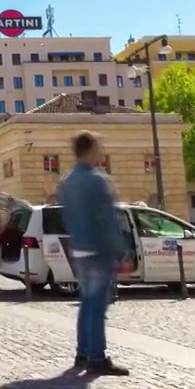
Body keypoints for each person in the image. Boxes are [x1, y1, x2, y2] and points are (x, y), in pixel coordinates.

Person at [58, 131, 132, 376]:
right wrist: (122, 252)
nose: (101, 153)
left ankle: (82, 353)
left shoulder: (66, 182)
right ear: (90, 150)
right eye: (99, 148)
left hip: (78, 249)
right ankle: (97, 357)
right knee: (97, 305)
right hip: (98, 249)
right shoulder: (99, 180)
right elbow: (109, 221)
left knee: (86, 303)